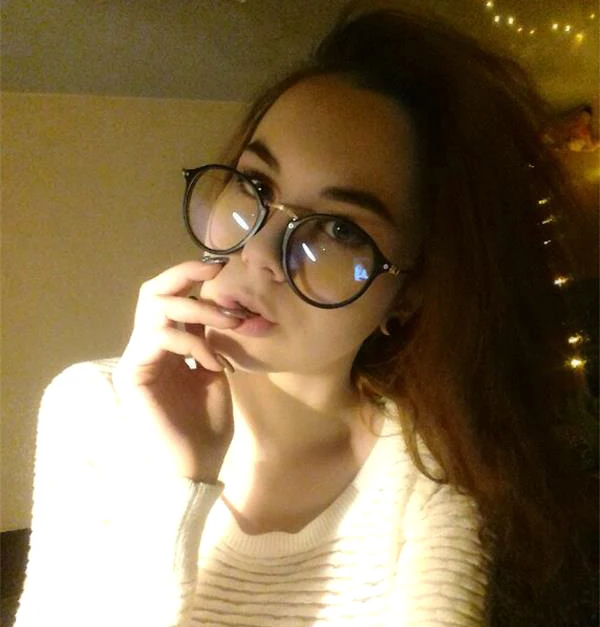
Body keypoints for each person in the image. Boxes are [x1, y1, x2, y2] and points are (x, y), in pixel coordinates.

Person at [15, 2, 597, 626]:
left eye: (340, 229)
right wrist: (178, 482)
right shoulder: (94, 408)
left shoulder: (428, 484)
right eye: (255, 186)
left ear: (410, 293)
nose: (259, 251)